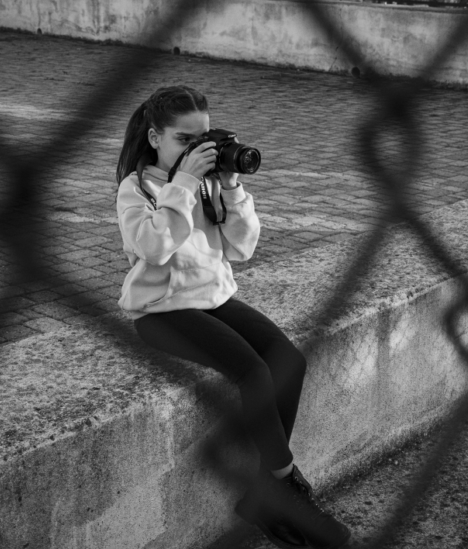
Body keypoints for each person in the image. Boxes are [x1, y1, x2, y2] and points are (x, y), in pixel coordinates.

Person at [114, 85, 351, 549]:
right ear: (155, 138)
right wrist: (182, 185)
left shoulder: (208, 183)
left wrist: (231, 185)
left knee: (289, 360)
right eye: (185, 140)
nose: (197, 150)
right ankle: (287, 488)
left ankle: (266, 494)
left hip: (214, 297)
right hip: (161, 310)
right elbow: (153, 248)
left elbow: (241, 249)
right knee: (253, 372)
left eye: (203, 139)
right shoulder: (137, 188)